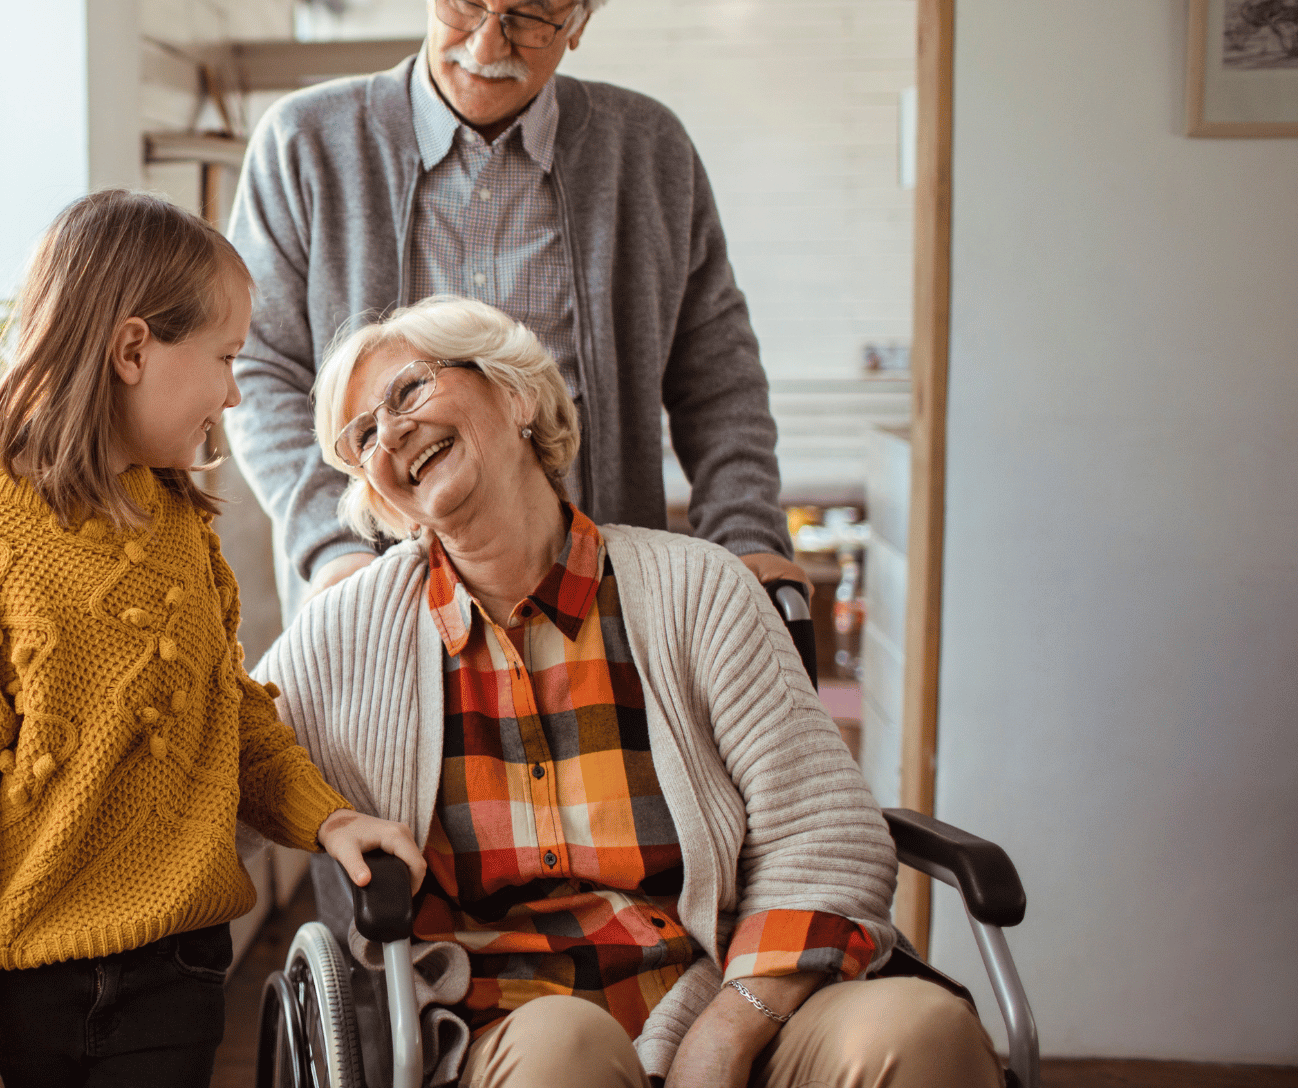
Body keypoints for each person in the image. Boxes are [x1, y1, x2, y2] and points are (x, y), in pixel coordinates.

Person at [257, 296, 999, 1088]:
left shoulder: (697, 590)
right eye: (362, 435)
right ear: (378, 494)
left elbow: (823, 835)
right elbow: (222, 748)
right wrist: (320, 816)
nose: (391, 433)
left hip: (730, 995)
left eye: (408, 392)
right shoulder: (348, 633)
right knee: (566, 1054)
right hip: (513, 1031)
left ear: (515, 395)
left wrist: (723, 1039)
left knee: (922, 1034)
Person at [0, 189, 426, 1088]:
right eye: (226, 358)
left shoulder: (178, 529)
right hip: (21, 1001)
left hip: (178, 977)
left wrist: (330, 816)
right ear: (133, 350)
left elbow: (227, 718)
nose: (236, 391)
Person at [226, 0, 805, 612]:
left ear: (578, 23)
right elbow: (259, 368)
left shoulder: (649, 151)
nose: (487, 44)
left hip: (600, 601)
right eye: (463, 3)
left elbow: (718, 375)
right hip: (383, 599)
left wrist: (747, 531)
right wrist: (330, 548)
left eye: (529, 18)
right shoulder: (303, 144)